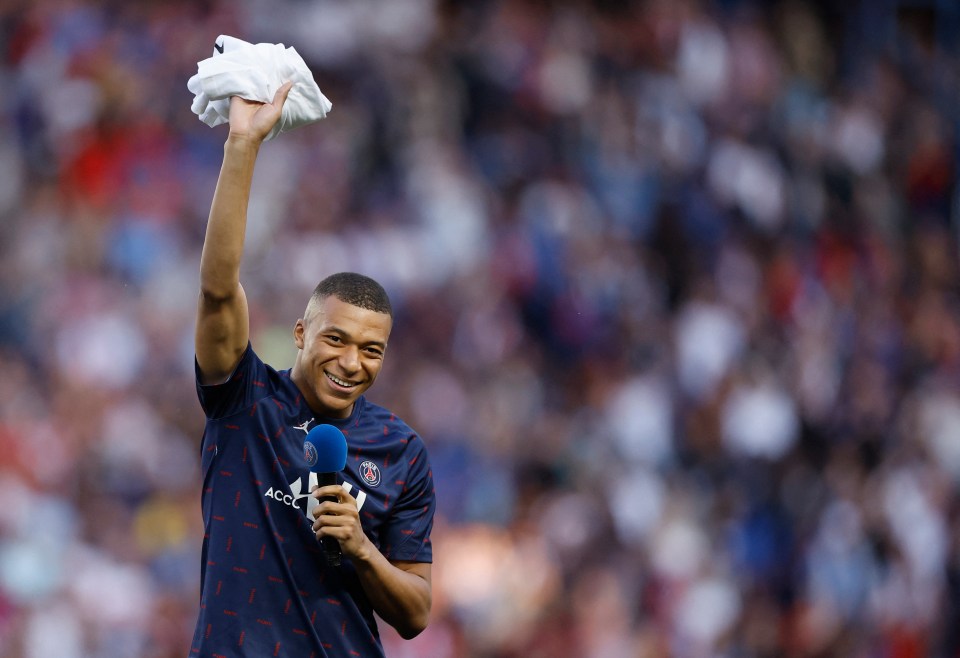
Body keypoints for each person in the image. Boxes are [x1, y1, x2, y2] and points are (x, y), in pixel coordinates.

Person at [188, 81, 436, 657]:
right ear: (300, 334)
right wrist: (242, 146)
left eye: (371, 350)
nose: (352, 362)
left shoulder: (402, 451)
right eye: (336, 339)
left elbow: (417, 612)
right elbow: (218, 290)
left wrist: (361, 549)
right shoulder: (245, 399)